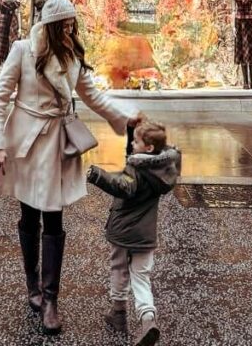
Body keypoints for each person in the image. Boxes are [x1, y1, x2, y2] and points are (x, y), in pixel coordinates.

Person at [0, 0, 140, 335]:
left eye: (73, 25)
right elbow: (0, 96)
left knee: (53, 217)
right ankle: (33, 287)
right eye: (65, 26)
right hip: (27, 142)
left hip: (57, 144)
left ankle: (50, 300)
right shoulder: (23, 50)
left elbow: (94, 96)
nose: (70, 31)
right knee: (29, 214)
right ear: (51, 26)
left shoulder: (71, 57)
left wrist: (125, 118)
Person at [87, 120, 181, 346]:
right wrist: (133, 129)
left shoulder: (136, 169)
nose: (132, 145)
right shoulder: (163, 170)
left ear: (148, 148)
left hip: (123, 232)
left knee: (119, 269)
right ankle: (148, 318)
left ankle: (118, 312)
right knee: (141, 276)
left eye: (136, 141)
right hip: (146, 235)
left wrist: (97, 175)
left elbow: (124, 187)